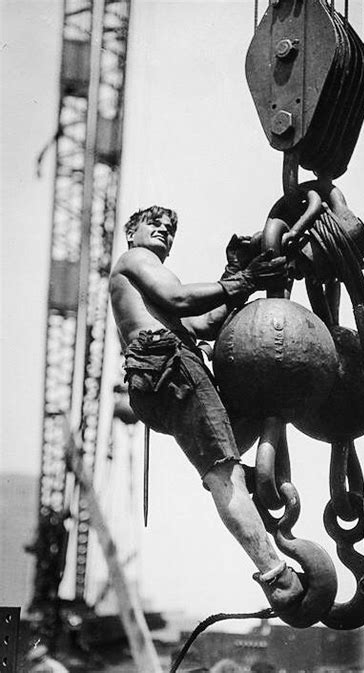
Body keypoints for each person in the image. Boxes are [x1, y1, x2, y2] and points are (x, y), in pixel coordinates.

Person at [109, 205, 304, 620]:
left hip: (161, 379)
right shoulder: (136, 260)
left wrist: (238, 276)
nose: (164, 230)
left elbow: (202, 325)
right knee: (223, 474)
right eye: (154, 224)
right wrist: (244, 279)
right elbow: (179, 299)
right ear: (131, 233)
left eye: (170, 228)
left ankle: (249, 486)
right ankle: (277, 577)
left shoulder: (146, 296)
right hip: (172, 366)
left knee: (233, 444)